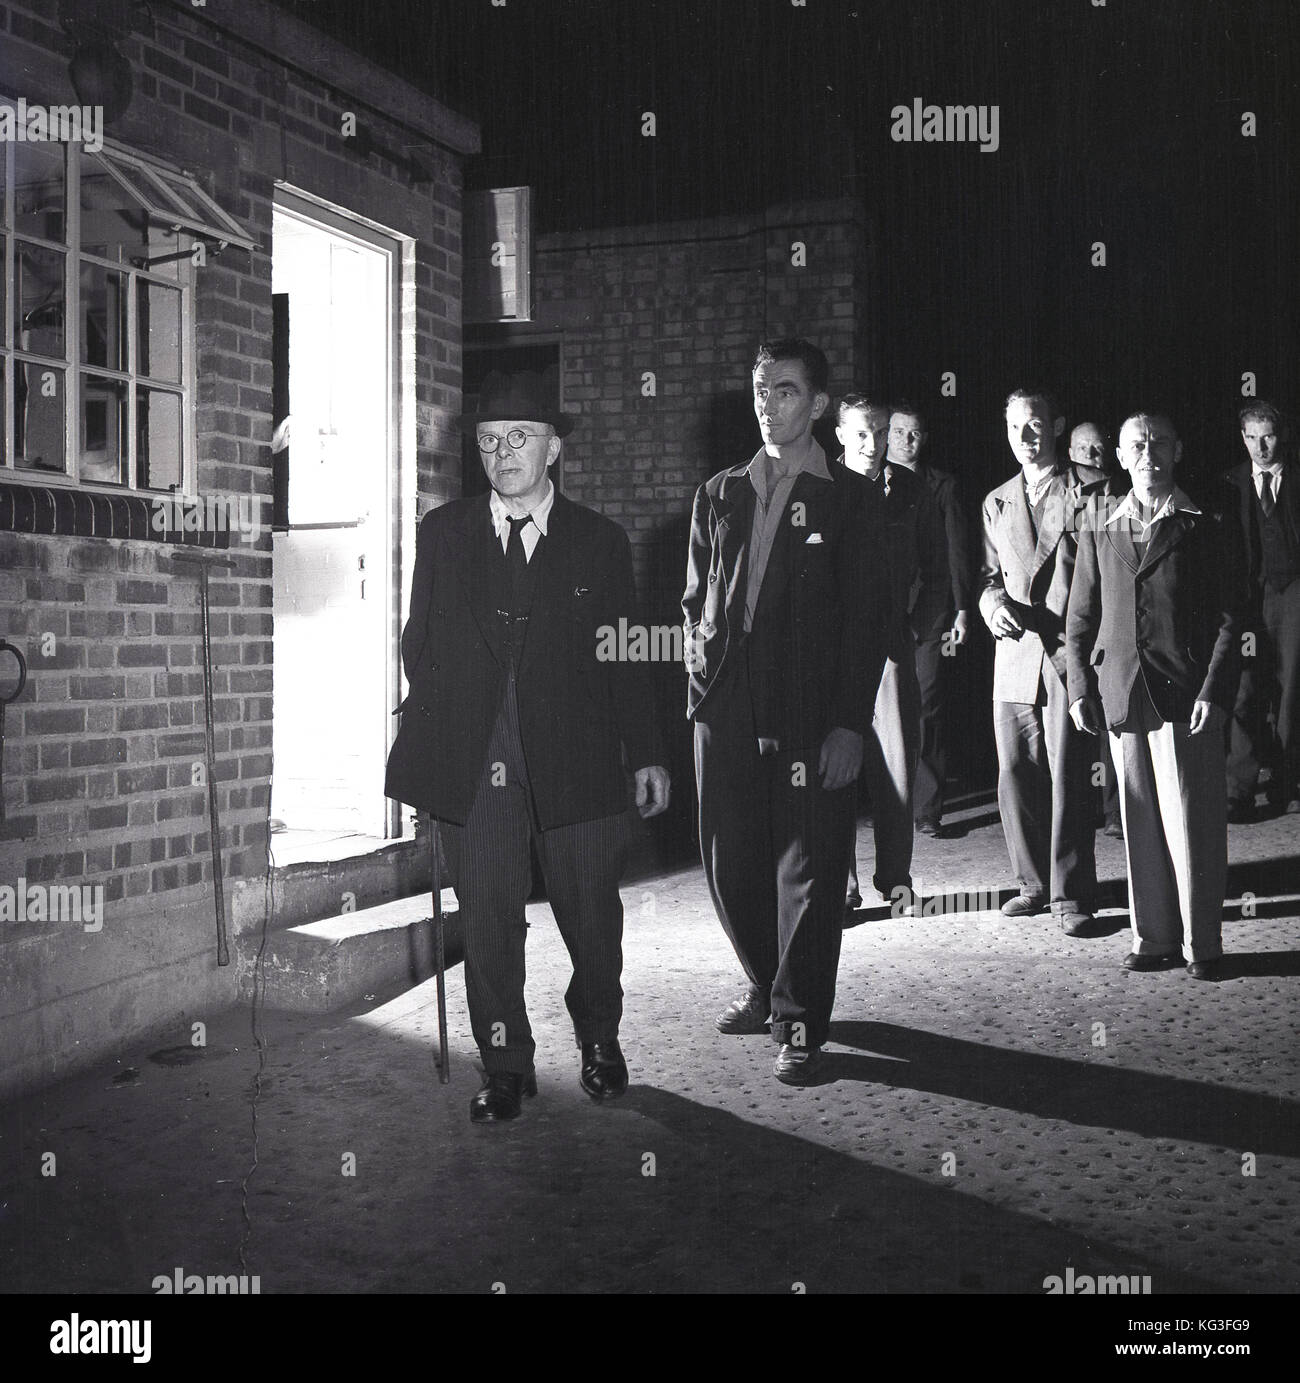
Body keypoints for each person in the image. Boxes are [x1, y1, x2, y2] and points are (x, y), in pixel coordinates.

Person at [385, 368, 670, 1123]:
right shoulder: (443, 534)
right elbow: (420, 643)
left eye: (518, 438)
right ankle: (505, 1062)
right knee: (485, 915)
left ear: (553, 450)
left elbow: (626, 652)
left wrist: (645, 751)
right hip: (479, 759)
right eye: (488, 440)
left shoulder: (599, 542)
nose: (502, 452)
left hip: (576, 755)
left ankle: (600, 1039)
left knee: (589, 914)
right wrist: (441, 729)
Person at [683, 339, 885, 1085]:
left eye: (789, 391)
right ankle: (770, 982)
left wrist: (848, 724)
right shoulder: (719, 491)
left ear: (820, 405)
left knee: (808, 865)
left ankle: (799, 1020)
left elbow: (868, 620)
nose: (771, 404)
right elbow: (693, 598)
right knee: (728, 863)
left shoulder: (854, 500)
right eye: (762, 389)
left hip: (811, 712)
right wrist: (699, 687)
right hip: (726, 709)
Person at [1066, 412, 1242, 979]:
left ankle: (1202, 945)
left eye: (1159, 442)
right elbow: (1080, 616)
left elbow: (1231, 618)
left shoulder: (1206, 521)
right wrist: (1079, 687)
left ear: (1178, 449)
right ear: (1120, 456)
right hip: (1122, 691)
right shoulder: (1101, 521)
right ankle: (1155, 938)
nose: (1149, 454)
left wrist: (1214, 690)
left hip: (1185, 693)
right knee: (1138, 817)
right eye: (1137, 445)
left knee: (1192, 818)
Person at [978, 389, 1103, 935]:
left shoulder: (1093, 490)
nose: (1025, 439)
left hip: (1067, 651)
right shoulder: (997, 499)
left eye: (1035, 426)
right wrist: (989, 602)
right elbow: (986, 576)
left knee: (1068, 771)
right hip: (1015, 654)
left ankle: (1071, 894)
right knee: (1014, 773)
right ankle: (1031, 883)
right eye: (1013, 428)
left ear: (1056, 425)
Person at [835, 394, 948, 912]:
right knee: (833, 772)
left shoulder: (911, 491)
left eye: (881, 433)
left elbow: (937, 571)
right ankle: (841, 884)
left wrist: (915, 629)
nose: (874, 444)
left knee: (898, 770)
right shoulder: (818, 489)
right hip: (832, 652)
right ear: (839, 435)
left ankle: (895, 880)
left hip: (890, 650)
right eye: (861, 433)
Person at [886, 404, 971, 835]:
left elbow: (956, 550)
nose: (906, 441)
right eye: (899, 432)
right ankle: (890, 801)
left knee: (927, 704)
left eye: (915, 433)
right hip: (882, 613)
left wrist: (960, 609)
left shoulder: (941, 485)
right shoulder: (866, 482)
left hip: (931, 613)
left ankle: (927, 808)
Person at [1224, 402, 1300, 821]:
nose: (1260, 446)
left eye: (1267, 435)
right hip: (1250, 599)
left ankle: (1288, 784)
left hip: (1293, 592)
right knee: (1245, 687)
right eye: (1252, 437)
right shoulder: (1231, 483)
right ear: (1242, 438)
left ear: (1281, 434)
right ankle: (1238, 787)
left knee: (1291, 688)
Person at [1070, 421, 1123, 835]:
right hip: (1067, 622)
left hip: (1108, 623)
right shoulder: (1066, 498)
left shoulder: (1116, 499)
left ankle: (1114, 812)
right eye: (1084, 449)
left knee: (1108, 727)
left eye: (1100, 447)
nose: (1094, 456)